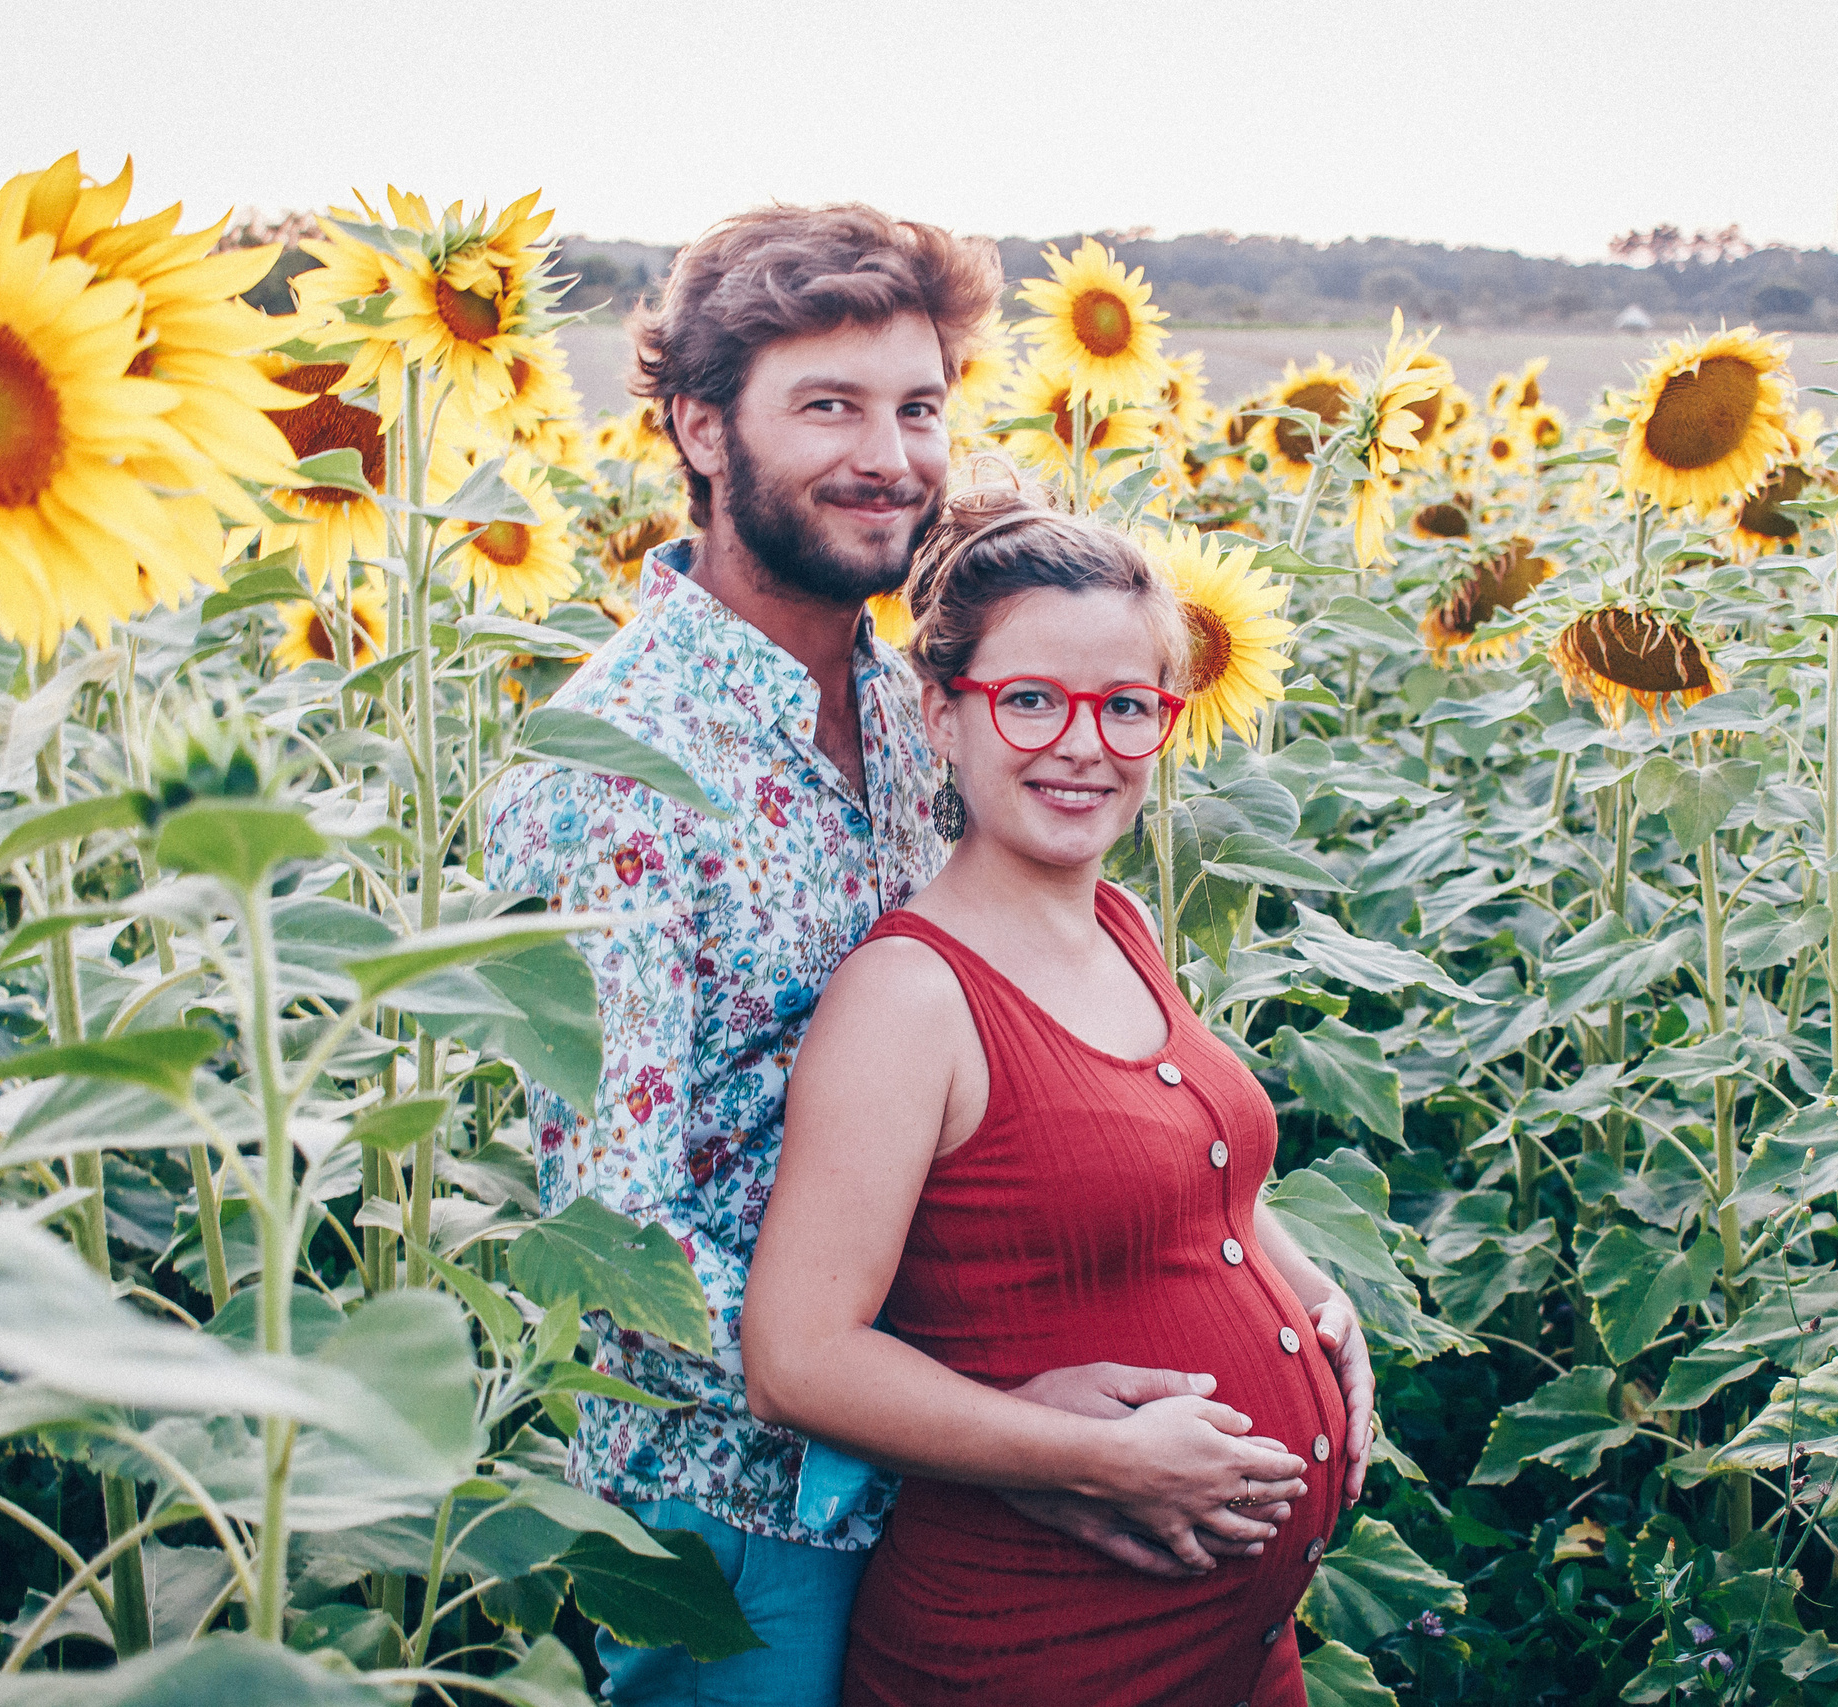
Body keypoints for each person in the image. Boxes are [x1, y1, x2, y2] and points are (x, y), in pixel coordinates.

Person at [484, 207, 1302, 1706]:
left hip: (958, 1481)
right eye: (829, 407)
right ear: (701, 430)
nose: (889, 454)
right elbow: (610, 1244)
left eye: (917, 407)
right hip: (735, 1516)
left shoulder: (917, 687)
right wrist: (997, 1415)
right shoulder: (612, 771)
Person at [741, 469, 1378, 1707]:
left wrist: (1315, 1306)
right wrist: (1094, 1458)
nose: (1083, 747)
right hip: (1040, 1652)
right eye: (1029, 701)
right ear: (942, 713)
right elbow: (797, 1359)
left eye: (1125, 706)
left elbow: (1200, 1175)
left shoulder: (1125, 924)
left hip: (1232, 1652)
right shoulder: (911, 998)